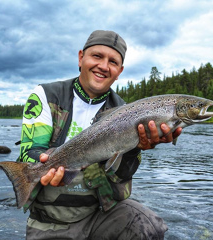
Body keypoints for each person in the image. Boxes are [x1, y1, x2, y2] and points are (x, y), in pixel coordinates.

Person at [18, 30, 182, 240]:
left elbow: (120, 176)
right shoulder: (46, 95)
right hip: (50, 221)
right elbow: (29, 152)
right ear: (80, 58)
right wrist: (41, 167)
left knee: (149, 225)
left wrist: (135, 150)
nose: (104, 66)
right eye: (97, 56)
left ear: (119, 71)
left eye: (113, 61)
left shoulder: (126, 111)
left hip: (101, 215)